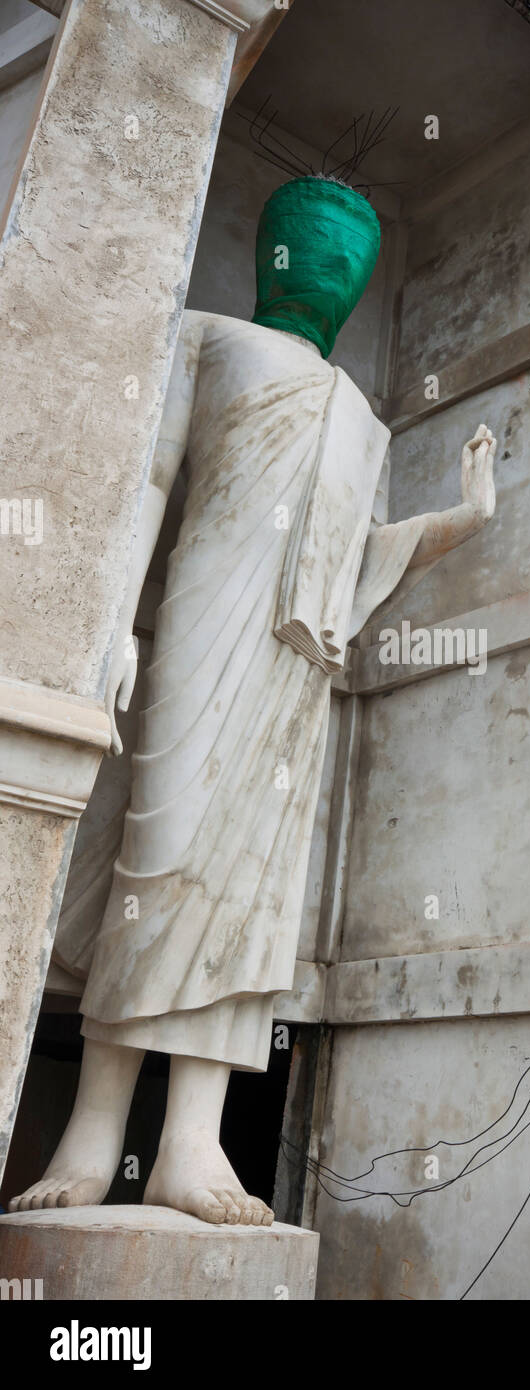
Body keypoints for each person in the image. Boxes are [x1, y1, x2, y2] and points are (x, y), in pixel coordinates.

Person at [11, 175, 497, 1223]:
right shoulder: (204, 336)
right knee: (163, 852)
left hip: (294, 673)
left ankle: (192, 1143)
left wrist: (460, 517)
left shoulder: (359, 418)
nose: (328, 268)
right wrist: (108, 631)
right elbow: (147, 482)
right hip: (198, 623)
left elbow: (354, 558)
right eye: (314, 246)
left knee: (250, 890)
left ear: (358, 287)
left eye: (347, 260)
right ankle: (92, 1135)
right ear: (275, 251)